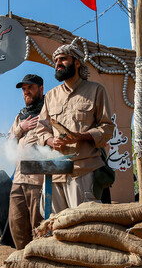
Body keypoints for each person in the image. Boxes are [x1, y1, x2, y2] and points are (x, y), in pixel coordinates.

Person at [37, 43, 114, 211]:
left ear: (77, 62)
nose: (58, 64)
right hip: (55, 173)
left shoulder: (96, 90)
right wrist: (50, 141)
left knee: (84, 227)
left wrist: (82, 136)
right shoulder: (50, 96)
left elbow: (107, 127)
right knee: (55, 226)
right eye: (56, 61)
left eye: (63, 59)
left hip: (83, 171)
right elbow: (41, 128)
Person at [8, 74, 45, 249]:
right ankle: (22, 260)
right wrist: (19, 129)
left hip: (39, 178)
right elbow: (8, 144)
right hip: (18, 177)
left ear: (40, 88)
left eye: (30, 88)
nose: (26, 92)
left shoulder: (48, 111)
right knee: (16, 222)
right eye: (24, 89)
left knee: (39, 223)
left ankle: (39, 260)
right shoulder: (20, 116)